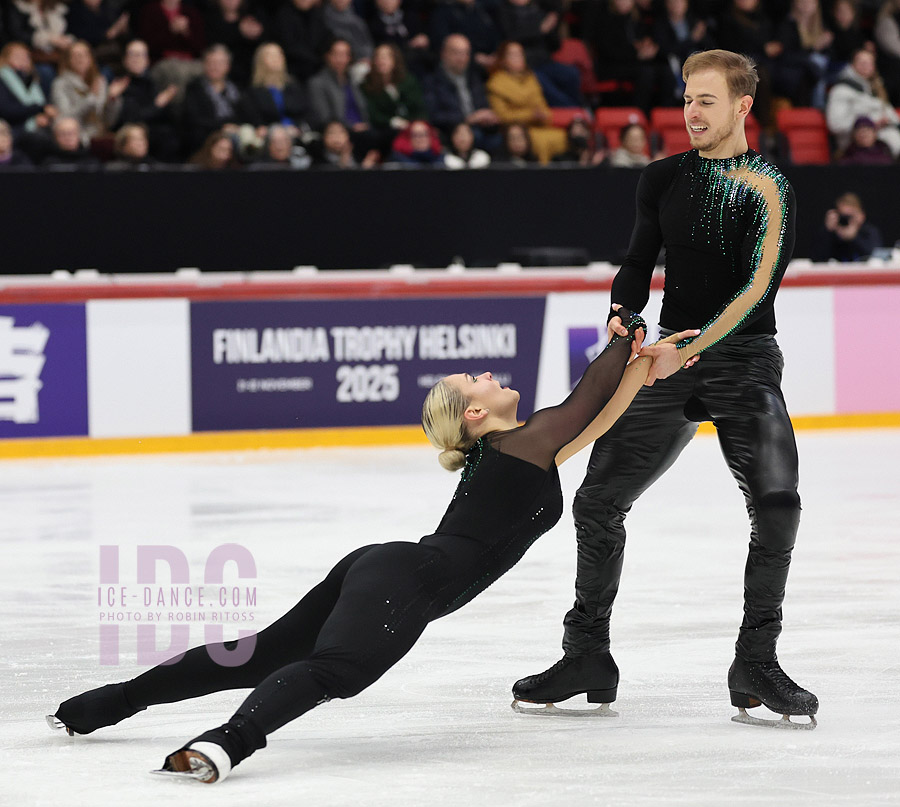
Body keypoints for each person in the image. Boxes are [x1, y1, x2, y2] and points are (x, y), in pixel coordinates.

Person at [48, 309, 701, 784]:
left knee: (263, 654)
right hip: (406, 578)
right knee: (337, 670)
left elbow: (595, 417)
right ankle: (226, 744)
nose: (487, 373)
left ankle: (101, 705)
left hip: (388, 567)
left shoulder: (526, 450)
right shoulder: (519, 444)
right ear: (474, 415)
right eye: (475, 379)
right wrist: (624, 332)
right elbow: (586, 398)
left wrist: (645, 363)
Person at [512, 49, 820, 730]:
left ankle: (756, 662)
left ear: (742, 106)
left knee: (777, 504)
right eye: (686, 99)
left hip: (742, 362)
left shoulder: (768, 186)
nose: (692, 112)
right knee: (596, 502)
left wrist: (692, 344)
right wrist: (625, 312)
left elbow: (758, 289)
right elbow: (636, 261)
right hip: (666, 361)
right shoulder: (662, 177)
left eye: (707, 100)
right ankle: (586, 654)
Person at [486, 40, 567, 163]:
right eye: (513, 55)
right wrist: (530, 115)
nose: (518, 58)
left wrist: (543, 115)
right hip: (515, 129)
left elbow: (542, 105)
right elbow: (501, 115)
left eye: (520, 54)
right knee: (539, 141)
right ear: (503, 59)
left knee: (563, 137)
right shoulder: (496, 82)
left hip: (537, 125)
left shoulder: (531, 78)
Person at [422, 33, 500, 149]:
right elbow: (434, 115)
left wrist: (488, 116)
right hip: (450, 131)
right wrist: (467, 118)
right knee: (476, 136)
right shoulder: (432, 81)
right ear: (444, 53)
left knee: (498, 139)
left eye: (465, 53)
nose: (461, 58)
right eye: (456, 52)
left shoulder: (474, 78)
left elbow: (483, 104)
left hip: (480, 128)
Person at [825, 47, 900, 158]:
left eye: (869, 63)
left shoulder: (876, 89)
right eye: (862, 63)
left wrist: (887, 121)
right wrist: (870, 124)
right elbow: (835, 125)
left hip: (884, 141)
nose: (866, 66)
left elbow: (893, 117)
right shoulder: (841, 90)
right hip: (856, 146)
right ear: (852, 65)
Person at [50, 39, 118, 144]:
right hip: (76, 137)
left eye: (84, 54)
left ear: (91, 58)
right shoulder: (60, 84)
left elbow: (108, 120)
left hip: (99, 134)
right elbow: (65, 117)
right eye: (76, 55)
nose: (81, 58)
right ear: (68, 60)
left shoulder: (99, 81)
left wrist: (112, 99)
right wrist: (90, 98)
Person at [181, 44, 243, 154]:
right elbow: (193, 121)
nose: (215, 67)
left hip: (236, 135)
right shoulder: (194, 88)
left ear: (228, 66)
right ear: (204, 65)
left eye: (219, 63)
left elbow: (244, 115)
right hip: (205, 139)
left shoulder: (236, 89)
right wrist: (222, 127)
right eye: (211, 62)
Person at [813, 191, 884, 261]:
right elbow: (817, 258)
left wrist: (855, 238)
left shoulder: (868, 231)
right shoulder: (831, 234)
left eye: (850, 216)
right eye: (843, 216)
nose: (846, 220)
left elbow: (876, 257)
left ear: (861, 215)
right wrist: (827, 231)